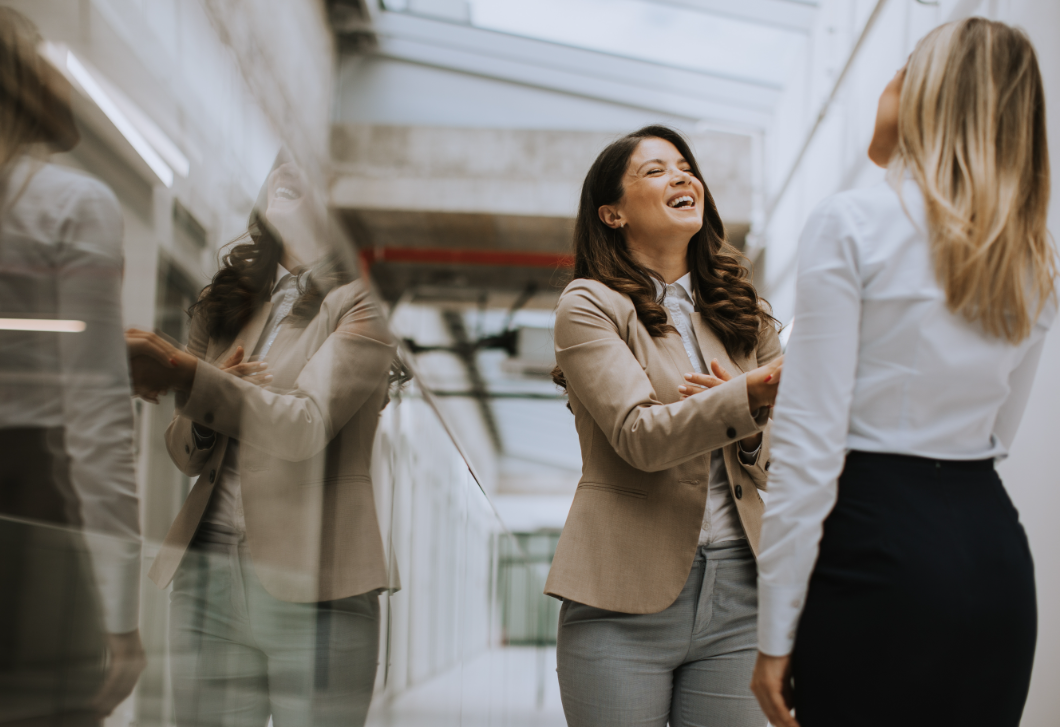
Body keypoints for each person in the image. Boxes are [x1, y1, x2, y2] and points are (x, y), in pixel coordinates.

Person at [750, 18, 1055, 727]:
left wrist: (774, 635)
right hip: (994, 556)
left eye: (906, 67)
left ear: (929, 94)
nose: (888, 81)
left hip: (878, 545)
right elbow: (996, 433)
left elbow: (809, 448)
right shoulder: (1035, 254)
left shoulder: (850, 222)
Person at [128, 157, 397, 726]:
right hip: (207, 579)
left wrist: (192, 377)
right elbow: (182, 449)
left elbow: (302, 427)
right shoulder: (228, 301)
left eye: (307, 157)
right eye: (281, 157)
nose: (286, 165)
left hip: (319, 584)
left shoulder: (364, 302)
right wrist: (203, 407)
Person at [545, 125, 783, 727]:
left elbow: (783, 457)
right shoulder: (590, 305)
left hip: (741, 590)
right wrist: (745, 396)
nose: (681, 177)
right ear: (612, 213)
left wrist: (751, 428)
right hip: (618, 597)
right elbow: (639, 436)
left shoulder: (744, 310)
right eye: (654, 171)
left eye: (684, 166)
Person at [0, 7, 145, 724]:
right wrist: (121, 614)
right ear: (21, 79)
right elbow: (95, 421)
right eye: (48, 56)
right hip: (29, 509)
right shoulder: (72, 204)